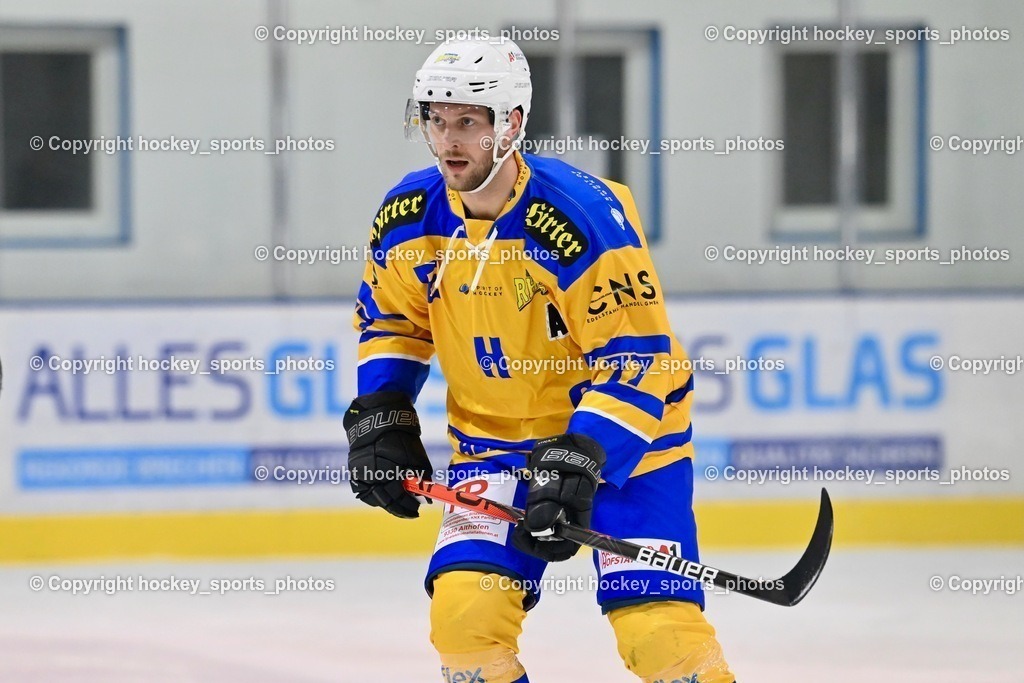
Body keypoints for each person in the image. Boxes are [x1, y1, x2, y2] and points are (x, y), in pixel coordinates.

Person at [345, 37, 736, 683]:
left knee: (659, 635)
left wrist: (585, 452)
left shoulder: (579, 217)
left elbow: (642, 360)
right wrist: (383, 410)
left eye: (468, 121)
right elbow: (393, 319)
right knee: (464, 619)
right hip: (494, 449)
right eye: (436, 121)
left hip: (627, 449)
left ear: (514, 123)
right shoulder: (408, 216)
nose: (449, 141)